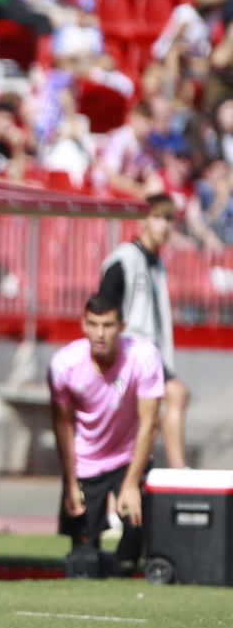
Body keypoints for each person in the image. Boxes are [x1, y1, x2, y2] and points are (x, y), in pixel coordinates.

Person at [50, 293, 163, 570]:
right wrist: (70, 481)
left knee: (133, 550)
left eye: (109, 325)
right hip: (86, 462)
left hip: (128, 459)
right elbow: (62, 424)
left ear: (122, 326)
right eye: (94, 324)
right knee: (82, 560)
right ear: (83, 325)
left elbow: (149, 423)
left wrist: (131, 484)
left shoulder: (144, 356)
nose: (100, 333)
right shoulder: (64, 364)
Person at [98, 194, 189, 469]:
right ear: (143, 220)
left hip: (152, 352)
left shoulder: (157, 263)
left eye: (169, 219)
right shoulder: (125, 258)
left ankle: (140, 468)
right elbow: (104, 304)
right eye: (158, 217)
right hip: (131, 350)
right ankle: (178, 470)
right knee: (176, 394)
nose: (164, 225)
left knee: (149, 413)